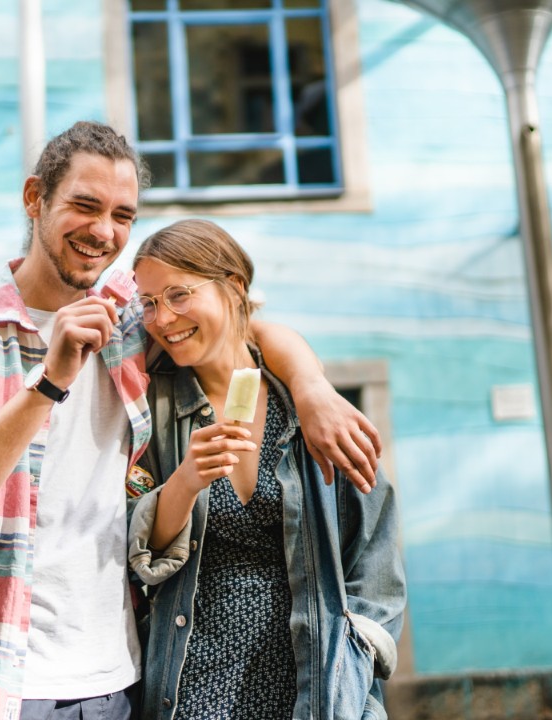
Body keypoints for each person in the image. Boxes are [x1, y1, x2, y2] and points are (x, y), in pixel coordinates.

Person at [0, 121, 382, 720]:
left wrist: (310, 386)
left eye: (122, 215)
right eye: (85, 206)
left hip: (119, 683)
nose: (103, 232)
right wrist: (49, 382)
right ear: (34, 198)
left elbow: (230, 320)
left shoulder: (133, 321)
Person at [127, 219, 407, 720]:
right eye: (149, 302)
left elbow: (375, 549)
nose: (162, 318)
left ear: (233, 287)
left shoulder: (307, 407)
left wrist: (355, 657)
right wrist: (187, 481)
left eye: (178, 295)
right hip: (192, 681)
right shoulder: (154, 407)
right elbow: (139, 549)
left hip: (314, 681)